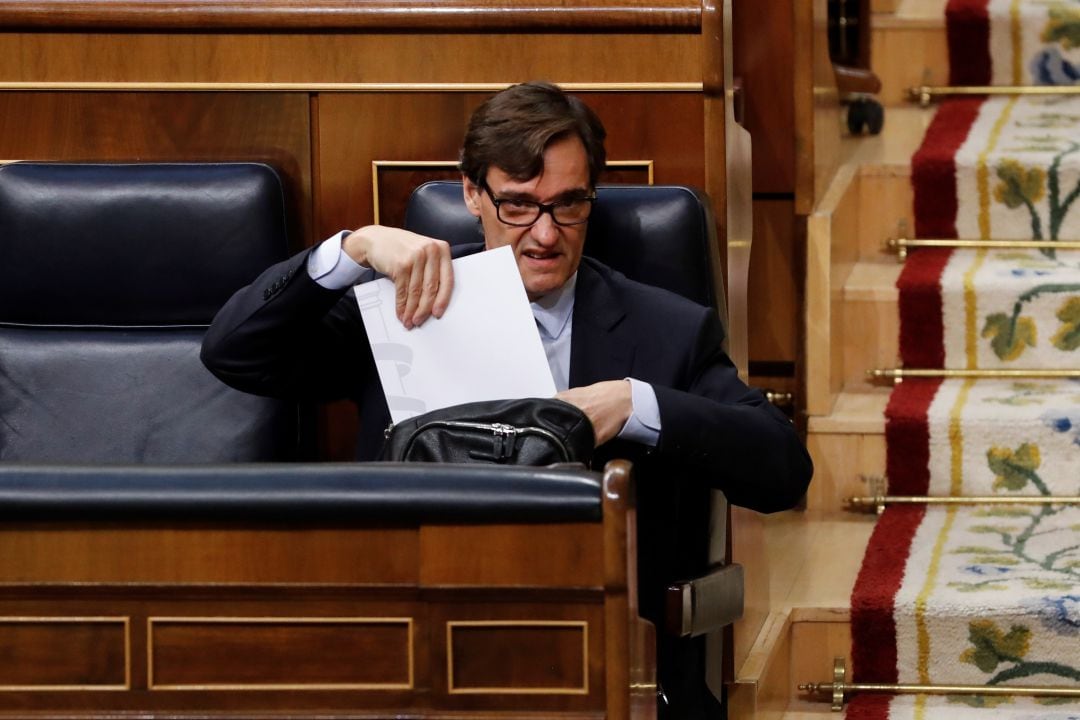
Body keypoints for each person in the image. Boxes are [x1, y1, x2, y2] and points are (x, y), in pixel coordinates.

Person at [201, 80, 812, 717]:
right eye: (518, 206)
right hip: (421, 659)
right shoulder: (400, 310)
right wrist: (350, 251)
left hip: (596, 666)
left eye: (569, 204)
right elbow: (234, 352)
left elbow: (783, 470)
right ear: (472, 194)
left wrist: (635, 404)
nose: (545, 235)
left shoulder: (664, 330)